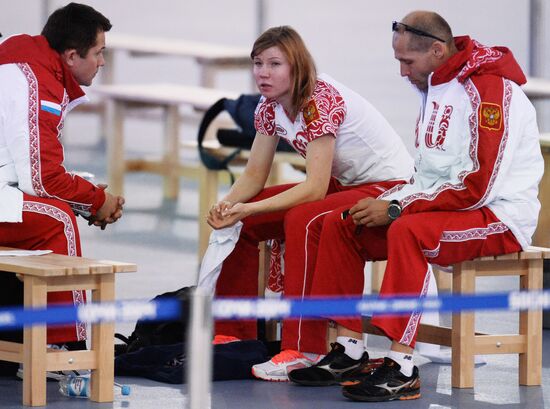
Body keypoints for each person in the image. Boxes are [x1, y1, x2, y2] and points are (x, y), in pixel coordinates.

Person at [286, 11, 544, 402]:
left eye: (408, 62)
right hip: (450, 208)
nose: (402, 72)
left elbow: (479, 185)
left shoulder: (489, 91)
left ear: (438, 50)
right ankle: (351, 350)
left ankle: (403, 366)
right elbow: (427, 178)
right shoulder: (436, 85)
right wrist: (392, 201)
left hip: (500, 216)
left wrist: (396, 210)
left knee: (406, 231)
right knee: (344, 222)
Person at [206, 26, 414, 382]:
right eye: (258, 63)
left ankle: (304, 347)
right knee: (241, 223)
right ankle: (233, 335)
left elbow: (315, 189)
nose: (263, 73)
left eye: (275, 64)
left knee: (303, 219)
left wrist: (251, 207)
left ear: (297, 66)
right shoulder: (268, 106)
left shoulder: (320, 99)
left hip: (387, 185)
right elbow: (254, 176)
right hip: (345, 183)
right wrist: (227, 206)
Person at [0, 2, 123, 366]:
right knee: (57, 220)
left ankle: (23, 336)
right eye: (99, 53)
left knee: (58, 208)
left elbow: (27, 169)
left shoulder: (28, 60)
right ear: (71, 55)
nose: (102, 62)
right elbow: (43, 179)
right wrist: (96, 199)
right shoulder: (37, 82)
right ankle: (66, 345)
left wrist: (89, 198)